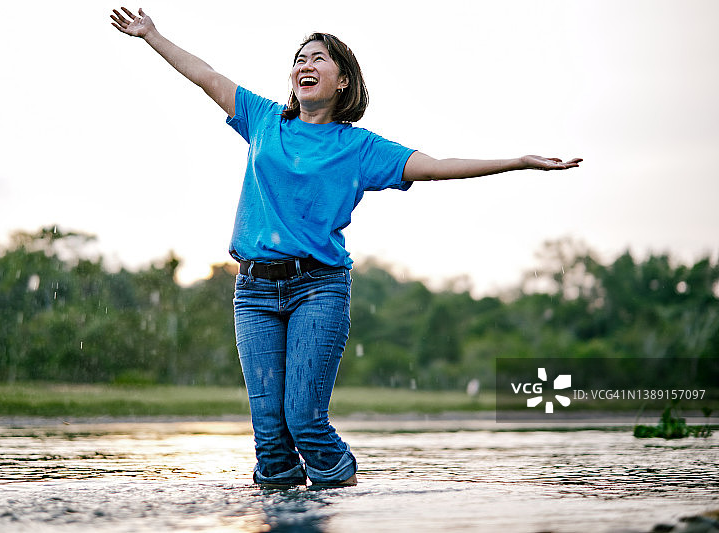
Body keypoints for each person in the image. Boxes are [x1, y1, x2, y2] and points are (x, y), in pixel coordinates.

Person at [110, 7, 582, 489]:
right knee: (270, 437)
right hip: (253, 292)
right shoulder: (264, 119)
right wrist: (152, 35)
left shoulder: (358, 148)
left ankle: (338, 495)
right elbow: (205, 75)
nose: (305, 65)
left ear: (342, 81)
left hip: (318, 289)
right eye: (300, 59)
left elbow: (437, 166)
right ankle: (284, 512)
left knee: (304, 420)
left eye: (318, 58)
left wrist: (517, 162)